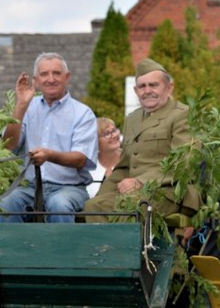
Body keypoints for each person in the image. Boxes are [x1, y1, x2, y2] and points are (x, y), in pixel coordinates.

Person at [84, 57, 200, 223]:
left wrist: (139, 181)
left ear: (169, 87)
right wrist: (100, 196)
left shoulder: (183, 114)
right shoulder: (132, 119)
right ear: (136, 90)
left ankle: (129, 250)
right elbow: (124, 167)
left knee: (129, 207)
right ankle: (103, 249)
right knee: (92, 207)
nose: (147, 91)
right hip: (135, 193)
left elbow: (183, 163)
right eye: (142, 86)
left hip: (168, 192)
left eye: (153, 85)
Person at [0, 52, 98, 223]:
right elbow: (8, 146)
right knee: (5, 204)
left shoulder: (83, 113)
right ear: (36, 80)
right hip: (29, 187)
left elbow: (80, 159)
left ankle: (61, 251)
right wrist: (21, 105)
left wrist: (49, 155)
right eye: (44, 74)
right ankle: (12, 251)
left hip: (69, 188)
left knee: (59, 204)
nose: (50, 79)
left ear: (67, 77)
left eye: (56, 73)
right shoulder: (27, 108)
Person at [86, 117, 122, 198]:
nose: (114, 135)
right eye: (107, 133)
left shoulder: (130, 159)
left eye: (114, 130)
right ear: (96, 141)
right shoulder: (88, 167)